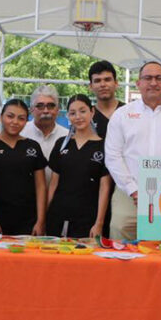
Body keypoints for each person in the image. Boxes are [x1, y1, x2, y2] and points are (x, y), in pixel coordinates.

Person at [103, 61, 161, 241]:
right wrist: (134, 191)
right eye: (148, 78)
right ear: (138, 83)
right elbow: (113, 156)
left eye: (159, 78)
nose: (153, 83)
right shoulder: (121, 115)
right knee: (121, 237)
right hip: (128, 192)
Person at [47, 94, 112, 238]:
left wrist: (99, 223)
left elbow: (104, 187)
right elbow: (53, 183)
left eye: (83, 111)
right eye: (72, 113)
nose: (78, 117)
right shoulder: (61, 143)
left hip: (88, 217)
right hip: (59, 214)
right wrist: (43, 216)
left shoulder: (104, 146)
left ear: (92, 112)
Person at [0, 99, 48, 235]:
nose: (15, 122)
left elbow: (41, 186)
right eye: (10, 116)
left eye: (21, 118)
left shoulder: (32, 146)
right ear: (1, 117)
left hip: (28, 220)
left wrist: (40, 221)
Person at [20, 85, 69, 176]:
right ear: (31, 109)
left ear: (58, 110)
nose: (46, 111)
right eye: (40, 106)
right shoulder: (21, 133)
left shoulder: (67, 137)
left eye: (51, 106)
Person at [88, 60, 123, 138]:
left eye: (107, 79)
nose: (103, 84)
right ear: (91, 86)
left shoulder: (128, 113)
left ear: (116, 83)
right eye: (97, 81)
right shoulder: (87, 117)